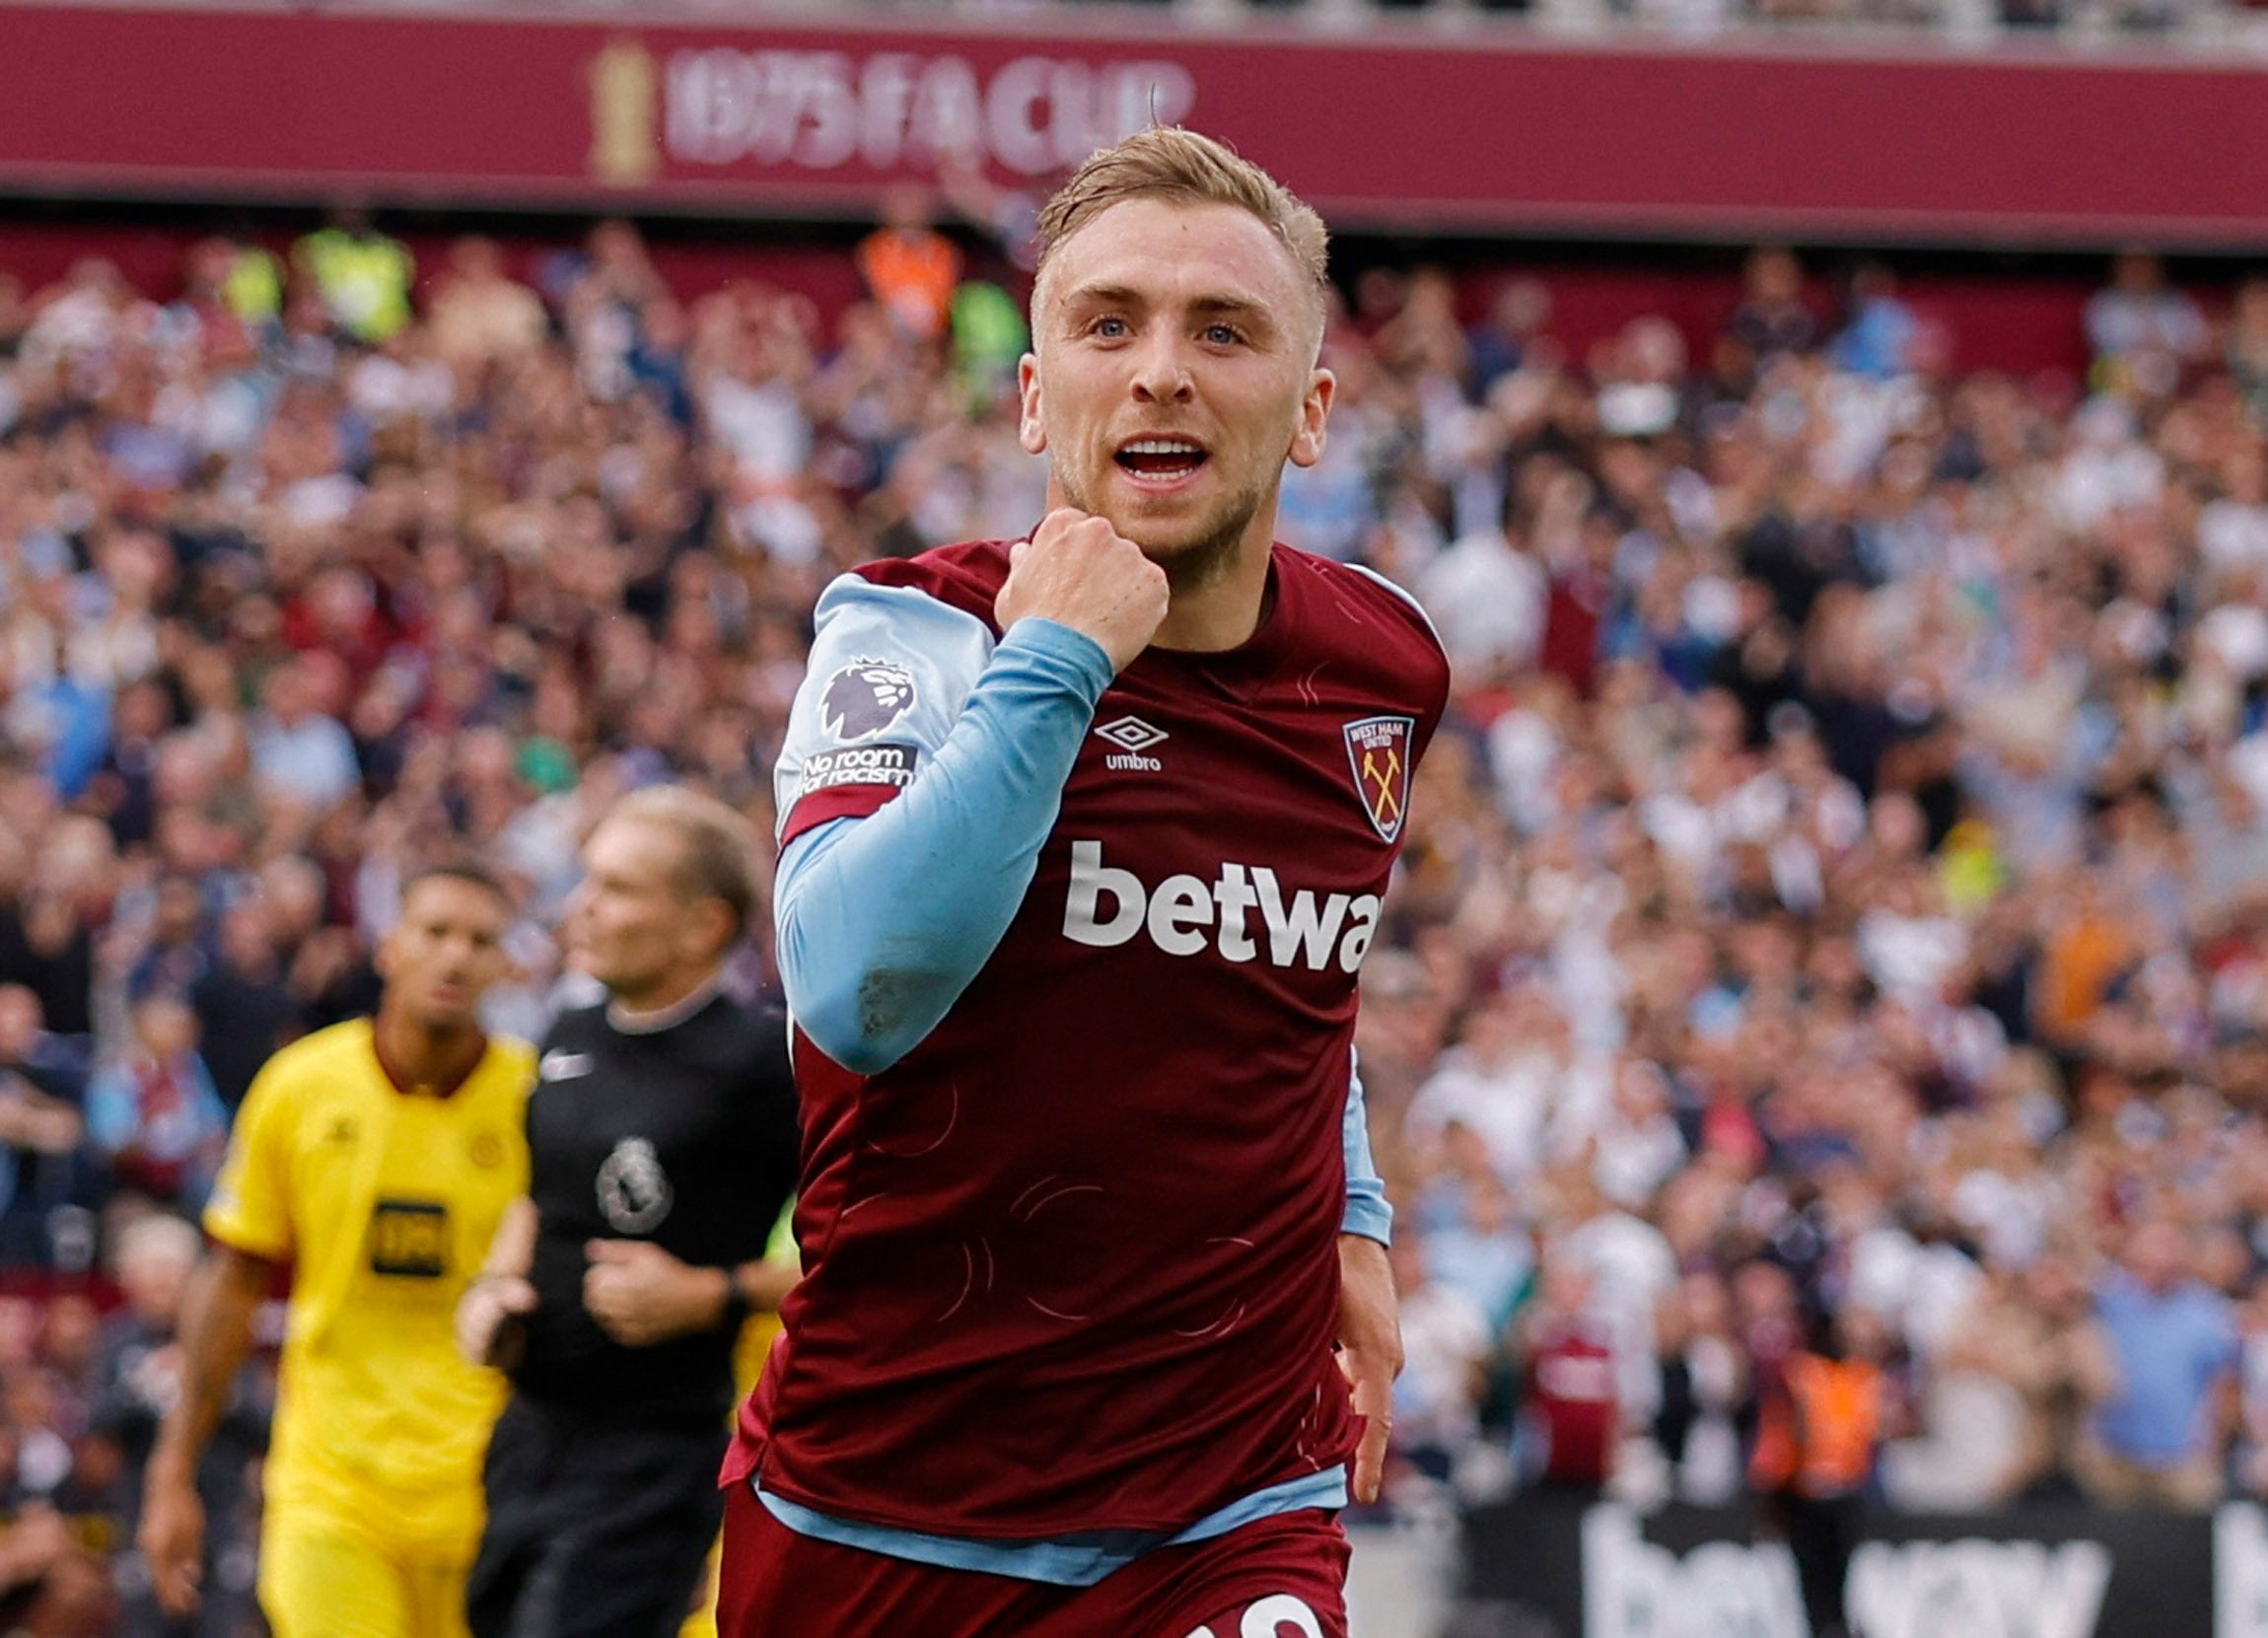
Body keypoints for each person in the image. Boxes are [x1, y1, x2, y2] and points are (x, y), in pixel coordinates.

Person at [717, 127, 1450, 1638]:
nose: (1162, 370)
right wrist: (1054, 664)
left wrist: (1353, 1215)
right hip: (888, 1508)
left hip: (1233, 1505)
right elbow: (853, 991)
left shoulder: (1381, 666)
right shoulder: (912, 637)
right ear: (1039, 393)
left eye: (1223, 331)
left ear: (1311, 412)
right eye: (1109, 323)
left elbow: (1297, 961)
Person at [136, 861, 534, 1638]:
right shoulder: (300, 1085)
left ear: (504, 963)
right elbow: (232, 1283)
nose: (454, 956)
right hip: (332, 1492)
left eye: (480, 939)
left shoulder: (536, 1098)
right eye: (435, 931)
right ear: (389, 946)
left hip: (488, 1493)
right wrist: (172, 1469)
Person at [458, 787, 800, 1638]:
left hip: (652, 1454)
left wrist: (708, 1294)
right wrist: (493, 1290)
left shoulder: (761, 1063)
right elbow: (539, 1201)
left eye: (615, 887)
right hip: (526, 1437)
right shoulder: (567, 1032)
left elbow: (863, 1257)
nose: (580, 907)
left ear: (701, 924)